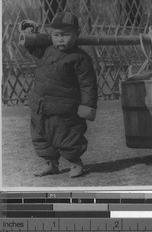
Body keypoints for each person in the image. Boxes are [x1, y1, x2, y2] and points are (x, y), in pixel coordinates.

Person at [19, 12, 98, 177]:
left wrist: (87, 106)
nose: (60, 39)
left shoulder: (80, 58)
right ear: (51, 35)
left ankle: (75, 162)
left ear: (77, 35)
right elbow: (29, 47)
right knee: (41, 135)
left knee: (68, 135)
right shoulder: (46, 50)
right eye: (56, 35)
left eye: (66, 35)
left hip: (65, 109)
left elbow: (88, 84)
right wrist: (29, 33)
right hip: (40, 105)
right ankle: (51, 163)